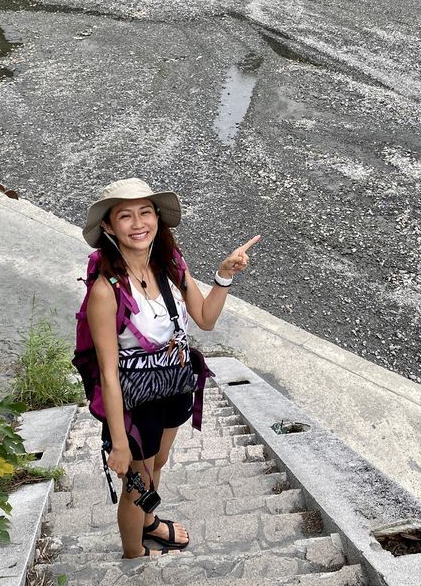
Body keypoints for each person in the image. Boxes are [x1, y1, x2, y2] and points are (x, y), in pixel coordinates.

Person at [82, 178, 260, 559]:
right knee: (136, 484)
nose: (138, 223)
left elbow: (205, 319)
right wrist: (117, 442)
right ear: (109, 227)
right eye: (125, 216)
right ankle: (135, 556)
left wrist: (224, 276)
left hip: (175, 382)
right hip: (134, 401)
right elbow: (108, 374)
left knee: (157, 463)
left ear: (157, 219)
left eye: (145, 212)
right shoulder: (106, 290)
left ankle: (149, 523)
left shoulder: (170, 264)